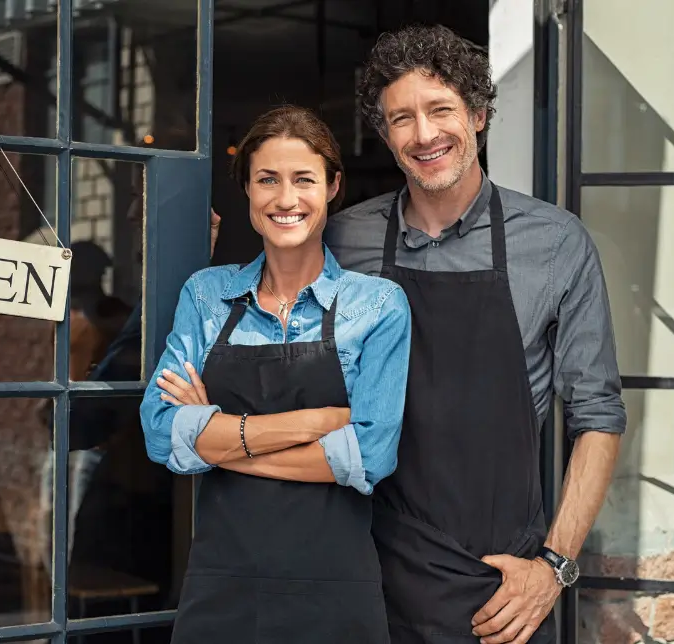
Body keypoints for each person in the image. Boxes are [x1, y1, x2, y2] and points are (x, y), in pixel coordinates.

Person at [324, 24, 626, 644]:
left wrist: (554, 567)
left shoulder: (555, 242)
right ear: (385, 135)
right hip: (363, 567)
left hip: (499, 587)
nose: (425, 134)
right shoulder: (341, 240)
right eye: (401, 118)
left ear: (480, 114)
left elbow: (597, 415)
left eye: (441, 109)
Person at [140, 105, 412, 644]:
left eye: (303, 180)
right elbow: (157, 431)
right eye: (267, 179)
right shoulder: (207, 295)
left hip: (335, 592)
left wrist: (219, 441)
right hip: (223, 586)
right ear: (246, 190)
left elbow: (372, 456)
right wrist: (317, 423)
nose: (285, 199)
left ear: (333, 186)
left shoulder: (378, 305)